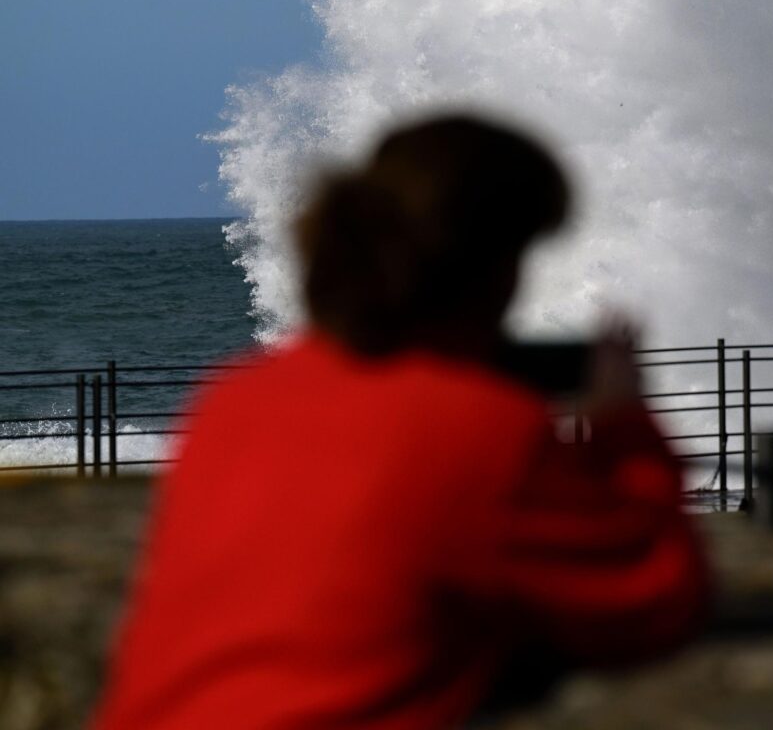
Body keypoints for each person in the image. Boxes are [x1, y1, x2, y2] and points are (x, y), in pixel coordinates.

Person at [94, 114, 710, 729]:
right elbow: (654, 595)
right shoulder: (484, 428)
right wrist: (622, 429)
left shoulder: (233, 399)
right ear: (499, 271)